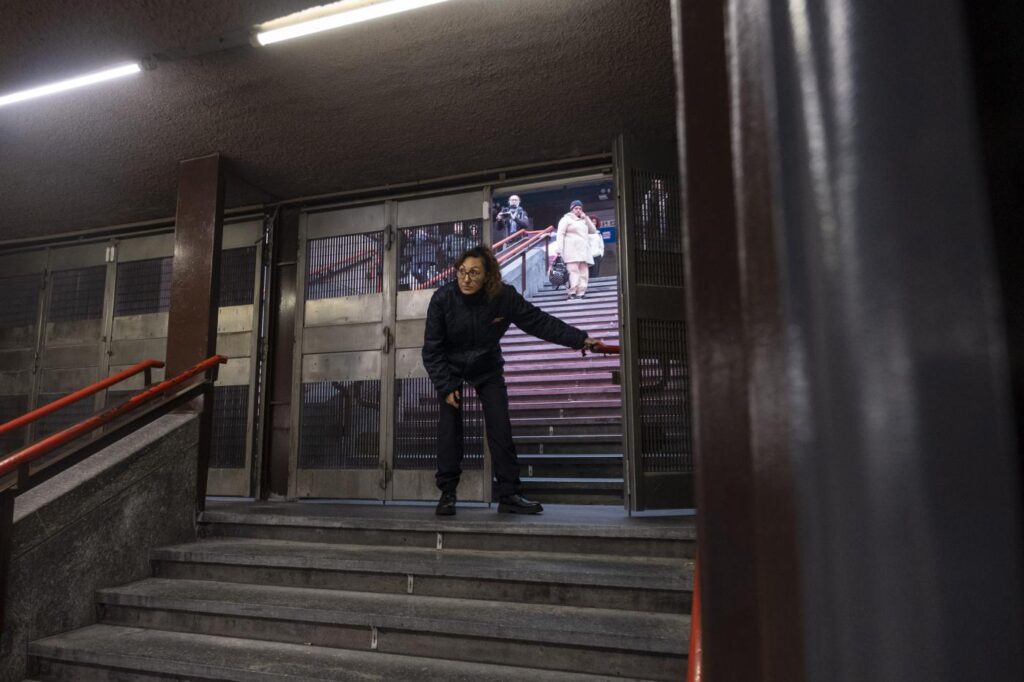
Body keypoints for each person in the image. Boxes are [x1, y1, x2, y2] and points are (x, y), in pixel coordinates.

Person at [422, 245, 599, 516]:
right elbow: (432, 349)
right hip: (450, 367)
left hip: (487, 367)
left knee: (500, 429)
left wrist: (581, 339)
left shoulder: (503, 297)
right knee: (449, 429)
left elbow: (540, 322)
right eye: (461, 272)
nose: (466, 279)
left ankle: (509, 494)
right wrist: (445, 385)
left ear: (488, 276)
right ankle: (447, 493)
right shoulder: (443, 298)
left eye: (474, 273)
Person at [555, 199, 597, 299]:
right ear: (572, 209)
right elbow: (560, 234)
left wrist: (586, 218)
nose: (578, 210)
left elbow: (593, 230)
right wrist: (559, 248)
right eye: (576, 208)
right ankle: (572, 291)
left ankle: (581, 292)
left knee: (584, 273)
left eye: (580, 208)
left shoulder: (583, 220)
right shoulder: (566, 219)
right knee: (573, 271)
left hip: (583, 251)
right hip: (571, 250)